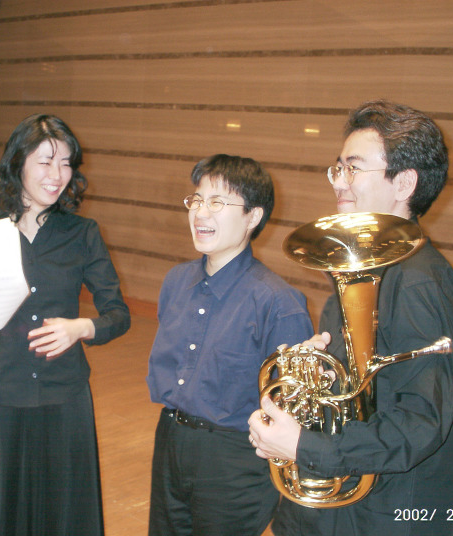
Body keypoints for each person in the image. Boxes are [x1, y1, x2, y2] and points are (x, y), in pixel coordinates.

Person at [248, 100, 453, 536]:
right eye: (338, 168)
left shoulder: (419, 282)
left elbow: (419, 423)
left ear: (404, 182)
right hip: (340, 506)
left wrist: (303, 445)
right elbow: (371, 392)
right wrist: (321, 377)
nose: (338, 181)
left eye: (353, 168)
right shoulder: (360, 267)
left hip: (387, 514)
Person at [0, 114, 131, 536]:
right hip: (1, 396)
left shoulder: (83, 233)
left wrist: (81, 328)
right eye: (45, 161)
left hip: (63, 397)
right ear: (18, 164)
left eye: (66, 163)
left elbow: (118, 314)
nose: (57, 175)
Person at [146, 153, 314, 536]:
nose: (201, 212)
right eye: (197, 200)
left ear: (253, 217)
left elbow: (295, 410)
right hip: (170, 438)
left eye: (218, 202)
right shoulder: (175, 281)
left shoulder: (278, 302)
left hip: (234, 460)